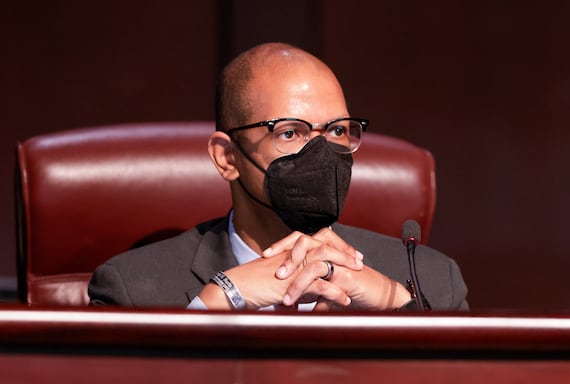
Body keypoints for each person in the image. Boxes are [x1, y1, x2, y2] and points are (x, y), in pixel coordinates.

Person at [88, 42, 468, 311]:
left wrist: (400, 310)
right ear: (227, 157)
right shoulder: (132, 288)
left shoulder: (431, 281)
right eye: (290, 133)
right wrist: (219, 301)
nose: (321, 153)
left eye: (337, 131)